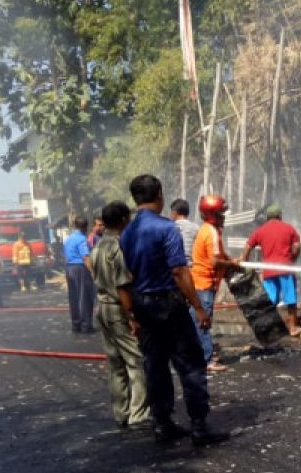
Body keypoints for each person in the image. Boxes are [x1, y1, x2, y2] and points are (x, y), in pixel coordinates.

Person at [121, 174, 221, 445]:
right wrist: (199, 308)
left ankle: (162, 424)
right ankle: (199, 425)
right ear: (160, 195)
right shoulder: (167, 228)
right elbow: (178, 270)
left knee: (155, 365)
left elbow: (128, 275)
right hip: (168, 304)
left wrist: (131, 314)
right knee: (190, 364)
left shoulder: (127, 232)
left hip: (143, 304)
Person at [89, 201, 150, 430]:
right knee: (135, 361)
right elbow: (124, 286)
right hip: (117, 308)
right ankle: (139, 413)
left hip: (103, 307)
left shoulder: (97, 247)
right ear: (124, 220)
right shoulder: (118, 247)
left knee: (115, 363)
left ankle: (120, 412)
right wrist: (132, 316)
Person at [240, 204, 301, 336]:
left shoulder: (260, 231)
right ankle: (292, 328)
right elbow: (297, 246)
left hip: (268, 271)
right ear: (279, 216)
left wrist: (244, 261)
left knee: (270, 300)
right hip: (285, 269)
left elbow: (248, 246)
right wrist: (293, 260)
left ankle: (267, 329)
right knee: (290, 298)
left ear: (267, 217)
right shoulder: (288, 228)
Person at [192, 194, 238, 371]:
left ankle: (199, 356)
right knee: (203, 322)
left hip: (202, 283)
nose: (224, 217)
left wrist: (230, 259)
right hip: (204, 284)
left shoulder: (210, 229)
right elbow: (214, 262)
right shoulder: (210, 231)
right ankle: (207, 360)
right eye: (221, 213)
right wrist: (231, 264)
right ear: (212, 214)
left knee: (197, 322)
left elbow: (219, 256)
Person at [65, 216, 95, 333]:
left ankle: (75, 324)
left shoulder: (69, 238)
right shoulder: (82, 239)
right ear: (85, 227)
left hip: (69, 268)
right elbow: (86, 257)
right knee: (85, 297)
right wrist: (93, 272)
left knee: (74, 298)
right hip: (80, 268)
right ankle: (86, 325)